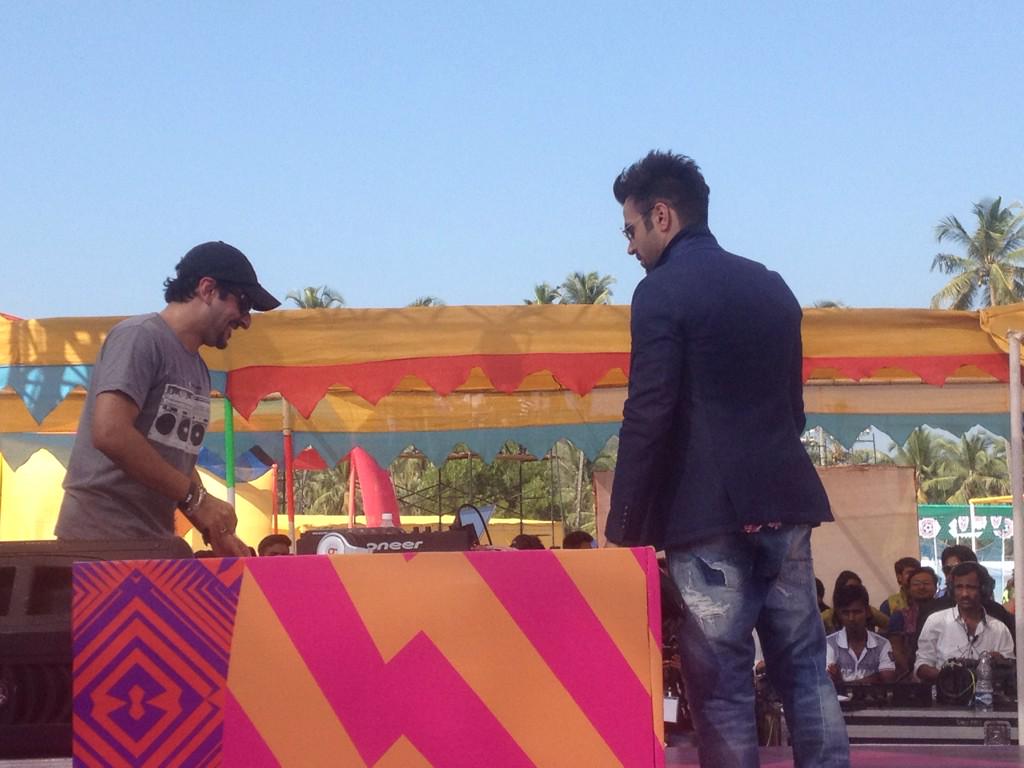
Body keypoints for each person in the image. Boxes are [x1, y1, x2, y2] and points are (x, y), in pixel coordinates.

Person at [604, 151, 849, 768]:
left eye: (631, 230)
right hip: (785, 505)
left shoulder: (660, 292)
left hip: (708, 519)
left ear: (662, 216)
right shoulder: (772, 286)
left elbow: (649, 413)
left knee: (723, 690)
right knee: (805, 673)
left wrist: (623, 529)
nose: (630, 247)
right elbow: (792, 410)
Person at [55, 241, 280, 556]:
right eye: (243, 304)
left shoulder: (198, 370)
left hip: (151, 543)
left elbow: (174, 460)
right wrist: (197, 500)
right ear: (207, 289)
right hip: (99, 544)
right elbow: (110, 432)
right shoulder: (139, 337)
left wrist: (213, 528)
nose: (246, 320)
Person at [914, 562, 1015, 682]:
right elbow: (921, 665)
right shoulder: (935, 621)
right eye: (959, 587)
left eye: (971, 587)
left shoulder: (999, 629)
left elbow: (1010, 671)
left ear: (983, 590)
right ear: (952, 590)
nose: (964, 594)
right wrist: (948, 677)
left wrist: (1000, 662)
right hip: (946, 692)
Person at [825, 584, 896, 685]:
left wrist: (842, 683)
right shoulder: (828, 643)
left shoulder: (883, 644)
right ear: (839, 615)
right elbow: (828, 679)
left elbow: (887, 679)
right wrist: (875, 677)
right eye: (845, 613)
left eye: (857, 612)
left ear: (868, 612)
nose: (851, 618)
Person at [887, 566, 938, 673]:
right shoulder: (899, 616)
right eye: (916, 584)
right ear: (909, 589)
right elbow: (896, 649)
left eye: (926, 583)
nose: (921, 587)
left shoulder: (945, 615)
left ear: (936, 587)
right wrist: (911, 672)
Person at [821, 571, 888, 634]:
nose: (851, 618)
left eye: (856, 589)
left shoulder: (870, 612)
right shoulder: (827, 617)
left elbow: (890, 626)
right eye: (845, 613)